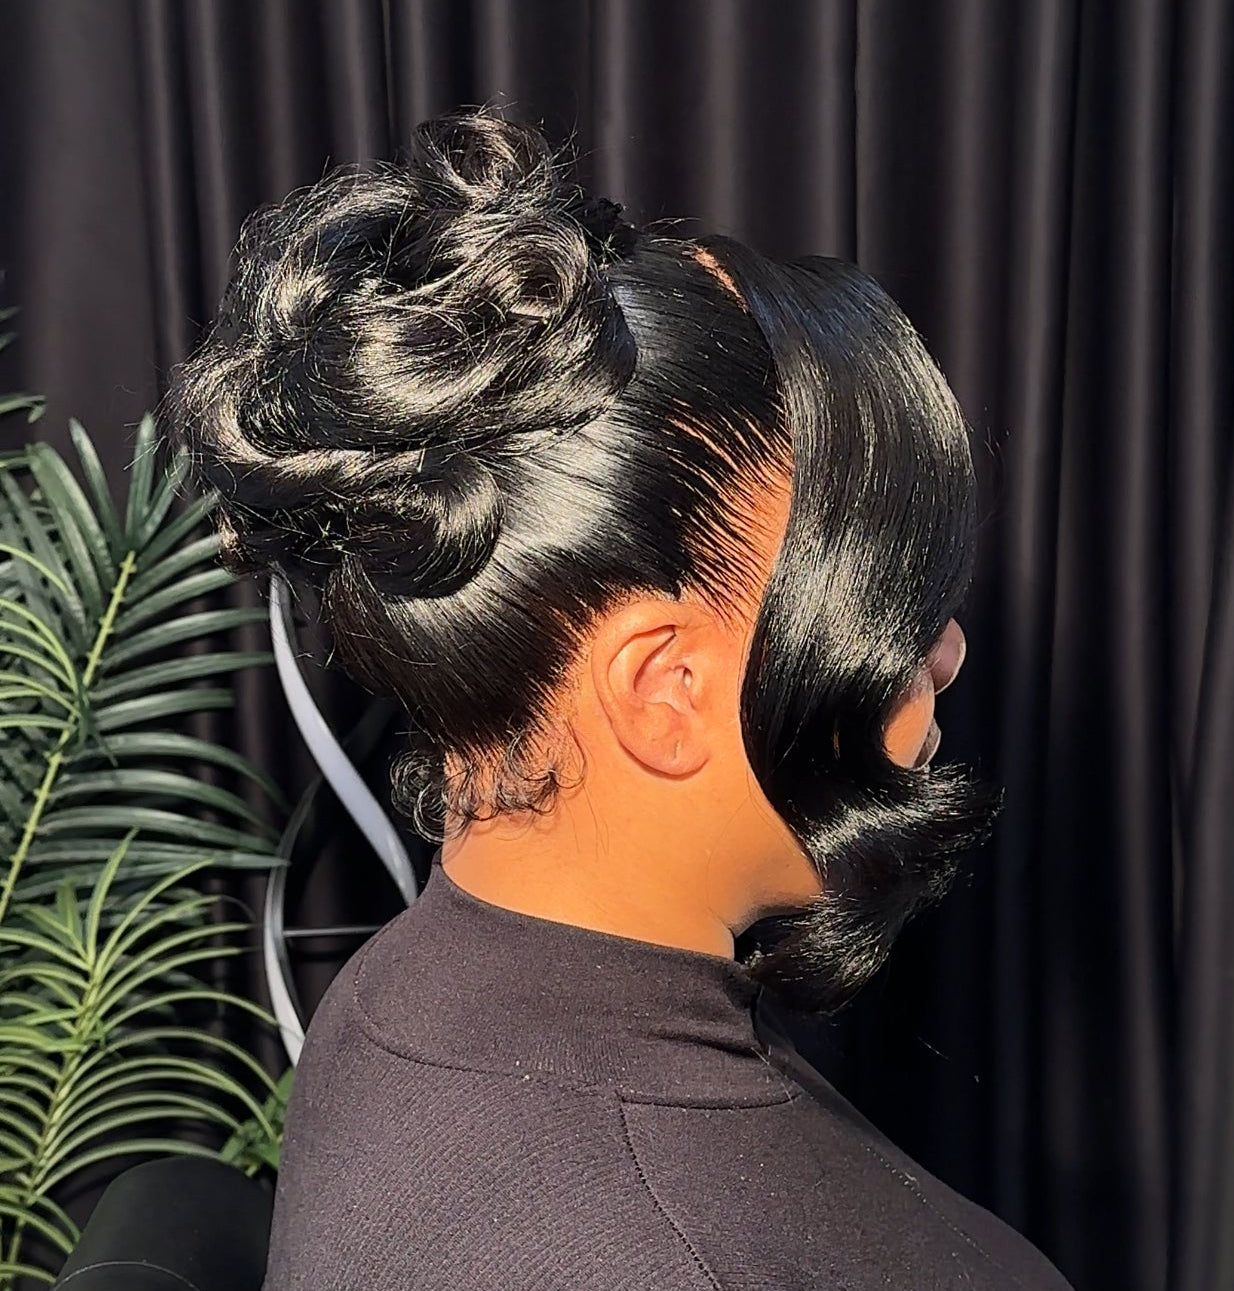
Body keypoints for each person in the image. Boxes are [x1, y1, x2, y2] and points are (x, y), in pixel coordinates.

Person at [165, 109, 1072, 1291]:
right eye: (896, 622)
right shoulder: (636, 1254)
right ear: (669, 692)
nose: (944, 652)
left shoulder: (411, 993)